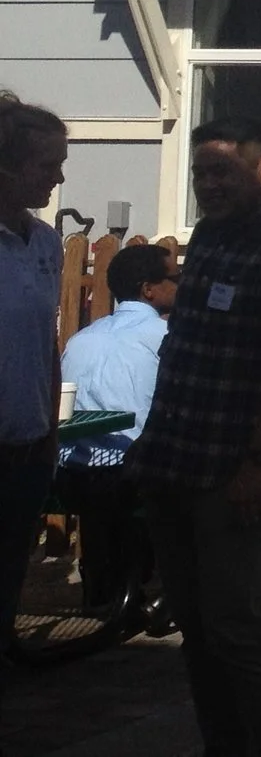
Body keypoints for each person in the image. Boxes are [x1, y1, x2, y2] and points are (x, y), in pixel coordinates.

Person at [130, 119, 261, 757]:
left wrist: (256, 463)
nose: (209, 184)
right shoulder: (211, 238)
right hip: (174, 458)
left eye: (224, 170)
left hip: (232, 471)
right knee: (193, 626)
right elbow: (188, 348)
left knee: (237, 627)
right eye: (201, 173)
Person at [0, 94, 69, 692]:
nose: (59, 176)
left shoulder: (46, 244)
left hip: (23, 453)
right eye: (46, 163)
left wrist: (48, 432)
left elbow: (46, 341)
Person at [62, 240, 180, 442]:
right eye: (176, 278)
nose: (183, 284)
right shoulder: (167, 337)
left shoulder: (79, 340)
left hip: (70, 463)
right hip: (135, 463)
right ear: (148, 289)